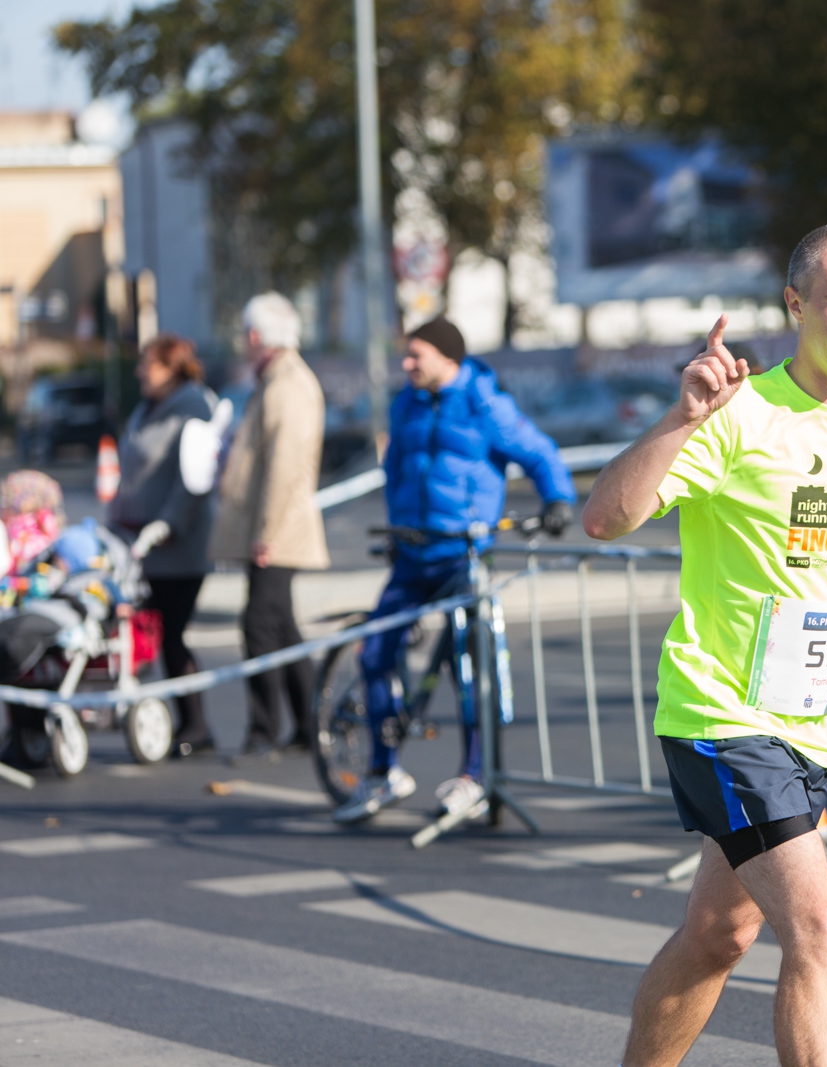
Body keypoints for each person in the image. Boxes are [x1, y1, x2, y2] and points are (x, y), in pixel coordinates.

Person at [582, 223, 827, 1067]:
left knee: (718, 934)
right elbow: (604, 518)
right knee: (821, 929)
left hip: (810, 725)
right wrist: (681, 418)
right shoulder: (737, 415)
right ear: (796, 306)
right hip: (722, 715)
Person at [333, 316, 577, 824]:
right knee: (375, 651)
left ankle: (474, 777)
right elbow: (396, 469)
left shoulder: (484, 402)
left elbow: (539, 452)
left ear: (448, 357)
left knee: (469, 668)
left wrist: (557, 500)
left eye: (414, 355)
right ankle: (382, 773)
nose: (406, 364)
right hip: (411, 552)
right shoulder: (407, 403)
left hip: (461, 557)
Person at [209, 292, 330, 759]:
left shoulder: (287, 384)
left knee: (260, 625)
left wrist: (268, 530)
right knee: (280, 626)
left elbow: (284, 467)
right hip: (277, 529)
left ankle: (266, 730)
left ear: (256, 336)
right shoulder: (277, 380)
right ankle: (306, 724)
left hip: (279, 532)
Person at [109, 333, 222, 758]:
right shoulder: (146, 408)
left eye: (148, 365)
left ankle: (196, 723)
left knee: (172, 633)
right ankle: (184, 720)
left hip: (177, 545)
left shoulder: (192, 406)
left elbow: (191, 478)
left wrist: (169, 523)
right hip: (139, 542)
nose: (140, 371)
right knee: (154, 635)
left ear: (171, 368)